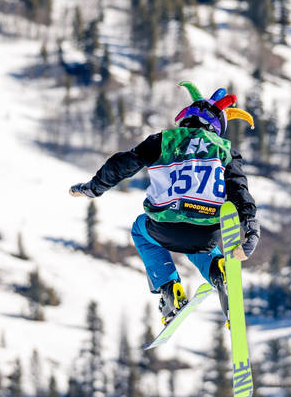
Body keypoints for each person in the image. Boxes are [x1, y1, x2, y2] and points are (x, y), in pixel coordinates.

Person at [69, 81, 259, 326]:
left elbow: (121, 165)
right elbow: (239, 191)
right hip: (206, 232)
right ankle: (218, 271)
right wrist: (251, 228)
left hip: (164, 226)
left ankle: (170, 292)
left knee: (140, 229)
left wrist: (93, 188)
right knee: (201, 246)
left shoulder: (163, 140)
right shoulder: (225, 150)